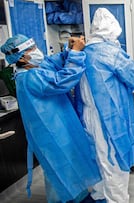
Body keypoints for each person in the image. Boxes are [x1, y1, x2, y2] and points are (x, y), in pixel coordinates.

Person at [0, 34, 101, 203]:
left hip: (60, 129)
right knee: (60, 169)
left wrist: (69, 50)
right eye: (31, 50)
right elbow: (62, 81)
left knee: (69, 166)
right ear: (22, 57)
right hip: (51, 134)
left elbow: (52, 61)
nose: (37, 52)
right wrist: (76, 55)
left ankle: (79, 197)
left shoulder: (34, 68)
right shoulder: (29, 77)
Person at [74, 8, 134, 203]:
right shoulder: (110, 52)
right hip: (107, 117)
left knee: (97, 158)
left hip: (86, 115)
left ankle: (100, 195)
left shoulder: (82, 51)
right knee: (113, 160)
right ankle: (117, 200)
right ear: (111, 32)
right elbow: (133, 75)